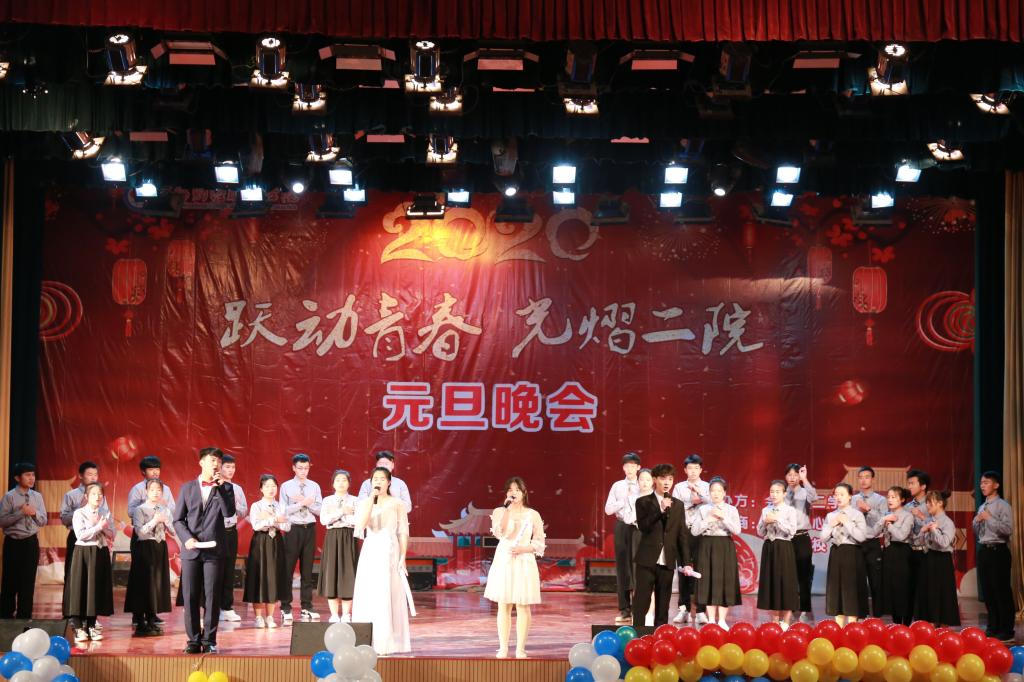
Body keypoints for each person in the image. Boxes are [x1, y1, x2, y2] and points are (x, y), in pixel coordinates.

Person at [173, 447, 236, 655]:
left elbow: (229, 513)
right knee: (190, 596)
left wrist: (221, 488)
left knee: (212, 596)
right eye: (212, 460)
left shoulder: (226, 487)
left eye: (218, 461)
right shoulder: (187, 488)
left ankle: (209, 640)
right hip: (191, 550)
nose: (216, 464)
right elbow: (178, 520)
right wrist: (186, 538)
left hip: (214, 550)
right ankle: (193, 640)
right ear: (201, 462)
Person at [352, 466, 414, 655]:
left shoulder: (397, 503)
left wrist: (403, 556)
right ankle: (367, 639)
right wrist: (371, 500)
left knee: (388, 592)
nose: (378, 482)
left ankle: (387, 642)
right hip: (371, 549)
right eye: (375, 479)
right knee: (370, 593)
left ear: (389, 482)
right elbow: (360, 526)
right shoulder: (365, 502)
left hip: (390, 550)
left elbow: (403, 531)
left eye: (382, 478)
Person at [485, 477, 546, 659]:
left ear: (524, 493)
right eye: (510, 490)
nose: (514, 493)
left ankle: (520, 648)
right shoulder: (499, 511)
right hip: (505, 560)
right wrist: (506, 510)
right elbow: (500, 533)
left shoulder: (533, 514)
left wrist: (523, 549)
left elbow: (539, 542)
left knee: (522, 605)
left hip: (524, 560)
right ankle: (503, 648)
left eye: (517, 490)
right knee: (504, 604)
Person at [632, 463, 693, 628]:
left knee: (663, 604)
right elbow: (644, 527)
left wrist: (686, 562)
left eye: (670, 479)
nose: (667, 482)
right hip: (647, 560)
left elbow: (682, 534)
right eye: (663, 478)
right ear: (654, 479)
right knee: (641, 602)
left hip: (667, 561)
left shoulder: (678, 505)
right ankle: (637, 634)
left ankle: (659, 636)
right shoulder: (643, 502)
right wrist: (660, 510)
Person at [127, 455, 175, 627]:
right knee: (142, 576)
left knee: (157, 577)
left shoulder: (166, 489)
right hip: (143, 536)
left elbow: (172, 510)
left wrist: (164, 509)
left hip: (159, 537)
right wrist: (149, 506)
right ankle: (138, 614)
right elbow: (131, 511)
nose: (155, 472)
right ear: (143, 472)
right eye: (151, 469)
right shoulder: (137, 489)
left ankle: (152, 613)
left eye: (157, 469)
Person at [63, 482, 114, 642]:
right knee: (81, 588)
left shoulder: (105, 513)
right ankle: (78, 626)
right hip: (84, 552)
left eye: (100, 494)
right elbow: (80, 535)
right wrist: (98, 527)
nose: (98, 497)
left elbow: (112, 534)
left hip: (100, 551)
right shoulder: (80, 513)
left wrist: (104, 528)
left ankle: (91, 624)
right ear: (86, 496)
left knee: (95, 588)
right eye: (94, 494)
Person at [691, 476, 742, 629]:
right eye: (713, 490)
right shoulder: (703, 509)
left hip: (725, 545)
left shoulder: (731, 509)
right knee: (708, 581)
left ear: (724, 493)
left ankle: (722, 620)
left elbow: (737, 530)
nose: (716, 493)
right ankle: (711, 619)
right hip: (707, 545)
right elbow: (694, 531)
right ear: (709, 492)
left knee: (725, 581)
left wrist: (723, 517)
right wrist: (708, 519)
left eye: (719, 491)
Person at [0, 463, 47, 619]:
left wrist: (34, 513)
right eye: (27, 475)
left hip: (31, 543)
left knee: (28, 581)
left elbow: (43, 521)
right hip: (13, 543)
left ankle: (24, 616)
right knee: (9, 581)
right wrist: (21, 513)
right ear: (17, 478)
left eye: (33, 474)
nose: (31, 478)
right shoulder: (9, 497)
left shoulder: (37, 497)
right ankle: (6, 616)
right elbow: (2, 521)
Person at [280, 453, 323, 624]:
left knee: (307, 569)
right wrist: (301, 503)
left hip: (309, 528)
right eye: (300, 468)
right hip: (293, 529)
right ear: (294, 468)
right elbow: (283, 510)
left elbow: (320, 510)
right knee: (288, 568)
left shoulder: (314, 486)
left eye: (306, 468)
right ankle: (285, 606)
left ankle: (307, 605)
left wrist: (307, 502)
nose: (303, 471)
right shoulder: (286, 486)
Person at [244, 474, 291, 628]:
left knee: (273, 578)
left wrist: (270, 519)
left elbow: (287, 526)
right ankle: (258, 617)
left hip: (276, 541)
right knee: (258, 577)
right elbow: (256, 525)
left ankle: (270, 617)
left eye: (274, 486)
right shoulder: (256, 506)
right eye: (267, 486)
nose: (271, 489)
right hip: (260, 542)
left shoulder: (281, 506)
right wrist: (275, 519)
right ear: (261, 489)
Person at [974, 471, 1014, 642]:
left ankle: (1007, 629)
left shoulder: (1003, 506)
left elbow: (1008, 529)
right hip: (984, 550)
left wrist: (989, 518)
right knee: (988, 590)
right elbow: (978, 532)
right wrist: (976, 522)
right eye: (981, 483)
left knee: (1001, 590)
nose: (982, 485)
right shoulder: (982, 507)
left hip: (999, 551)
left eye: (986, 482)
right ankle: (993, 626)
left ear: (996, 485)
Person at [820, 483, 868, 625]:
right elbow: (823, 538)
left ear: (850, 496)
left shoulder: (857, 514)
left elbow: (861, 537)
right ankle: (839, 628)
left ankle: (852, 626)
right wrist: (832, 524)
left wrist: (847, 522)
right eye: (836, 494)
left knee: (851, 590)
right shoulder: (831, 515)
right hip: (836, 553)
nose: (838, 497)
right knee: (836, 590)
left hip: (852, 553)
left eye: (842, 494)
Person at [756, 479, 800, 630]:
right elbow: (760, 532)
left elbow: (792, 531)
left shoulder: (789, 510)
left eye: (777, 492)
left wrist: (777, 519)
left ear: (784, 494)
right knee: (771, 583)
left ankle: (786, 622)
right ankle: (775, 621)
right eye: (772, 492)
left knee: (786, 583)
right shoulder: (765, 510)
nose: (774, 495)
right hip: (769, 547)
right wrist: (765, 522)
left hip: (784, 546)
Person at [603, 452, 641, 624]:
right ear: (623, 468)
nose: (630, 469)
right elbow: (608, 510)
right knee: (623, 568)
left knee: (638, 567)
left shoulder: (643, 484)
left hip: (639, 528)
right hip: (622, 526)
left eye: (633, 466)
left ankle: (639, 608)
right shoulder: (617, 486)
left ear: (638, 467)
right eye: (627, 466)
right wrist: (624, 500)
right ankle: (625, 610)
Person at [318, 469, 360, 624]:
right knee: (332, 573)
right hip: (332, 537)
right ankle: (334, 614)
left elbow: (357, 520)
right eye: (338, 480)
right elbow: (324, 520)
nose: (341, 483)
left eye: (344, 480)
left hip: (349, 537)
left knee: (349, 573)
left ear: (349, 483)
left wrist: (337, 517)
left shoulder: (355, 500)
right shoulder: (327, 500)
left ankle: (347, 614)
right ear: (333, 483)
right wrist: (342, 511)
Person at [672, 453, 710, 625]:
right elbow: (674, 508)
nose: (693, 471)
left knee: (701, 571)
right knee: (683, 571)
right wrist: (691, 503)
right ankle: (683, 609)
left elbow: (713, 504)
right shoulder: (679, 487)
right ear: (685, 470)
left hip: (702, 532)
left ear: (701, 470)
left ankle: (701, 610)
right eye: (690, 468)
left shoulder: (708, 487)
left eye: (696, 468)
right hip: (684, 532)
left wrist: (700, 497)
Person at [914, 490, 960, 627]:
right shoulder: (929, 521)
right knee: (929, 593)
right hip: (928, 558)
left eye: (930, 502)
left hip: (942, 561)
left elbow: (945, 542)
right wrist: (922, 531)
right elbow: (919, 542)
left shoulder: (947, 522)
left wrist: (934, 530)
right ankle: (930, 627)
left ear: (940, 503)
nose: (927, 505)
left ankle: (943, 629)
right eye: (926, 502)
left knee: (943, 594)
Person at [60, 461, 109, 588]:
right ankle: (72, 599)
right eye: (89, 474)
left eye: (95, 474)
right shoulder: (71, 495)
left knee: (94, 574)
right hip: (77, 536)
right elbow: (64, 519)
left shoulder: (101, 496)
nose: (93, 478)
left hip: (97, 537)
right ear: (81, 476)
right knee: (73, 572)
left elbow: (106, 515)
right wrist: (81, 509)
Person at [875, 486, 914, 626]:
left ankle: (906, 624)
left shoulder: (907, 516)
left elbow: (902, 535)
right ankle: (896, 623)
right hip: (888, 552)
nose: (890, 500)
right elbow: (874, 532)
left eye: (894, 497)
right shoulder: (886, 515)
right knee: (890, 588)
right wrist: (883, 520)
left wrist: (890, 525)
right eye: (889, 497)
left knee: (902, 587)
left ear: (902, 499)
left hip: (902, 553)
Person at [784, 463, 817, 623]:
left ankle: (804, 609)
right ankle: (789, 607)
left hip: (802, 537)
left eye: (795, 475)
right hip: (786, 538)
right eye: (789, 475)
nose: (792, 478)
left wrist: (805, 479)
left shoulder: (804, 492)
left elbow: (814, 497)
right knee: (788, 575)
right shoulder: (782, 493)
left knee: (804, 575)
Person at [853, 466, 887, 616]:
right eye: (861, 477)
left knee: (876, 581)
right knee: (859, 581)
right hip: (857, 543)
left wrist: (868, 509)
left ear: (872, 479)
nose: (863, 480)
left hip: (873, 543)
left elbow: (883, 520)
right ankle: (861, 615)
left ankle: (878, 616)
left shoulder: (880, 500)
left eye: (867, 477)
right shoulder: (853, 499)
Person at [623, 469, 654, 625]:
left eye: (648, 480)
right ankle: (637, 613)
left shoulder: (658, 498)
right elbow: (627, 518)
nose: (645, 483)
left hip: (652, 536)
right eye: (642, 479)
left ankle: (650, 614)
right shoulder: (631, 498)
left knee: (651, 575)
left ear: (653, 481)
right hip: (637, 535)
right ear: (638, 481)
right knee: (636, 576)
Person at [905, 469, 932, 615]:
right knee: (911, 589)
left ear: (923, 486)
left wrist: (921, 516)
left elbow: (937, 525)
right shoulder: (908, 506)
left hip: (926, 552)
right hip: (910, 551)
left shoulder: (931, 504)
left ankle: (927, 622)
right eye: (908, 483)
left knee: (926, 589)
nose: (909, 486)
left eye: (912, 483)